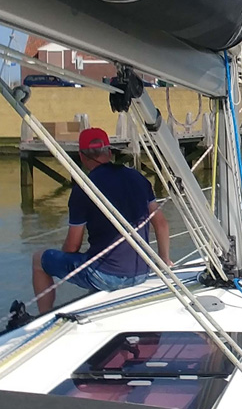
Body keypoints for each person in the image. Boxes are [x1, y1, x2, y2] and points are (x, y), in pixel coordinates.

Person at [31, 128, 171, 313]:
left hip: (106, 277)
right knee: (96, 259)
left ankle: (43, 316)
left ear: (82, 156)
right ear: (109, 152)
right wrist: (164, 259)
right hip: (141, 273)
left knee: (39, 260)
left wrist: (65, 260)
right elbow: (161, 224)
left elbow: (73, 246)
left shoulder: (84, 189)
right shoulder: (138, 178)